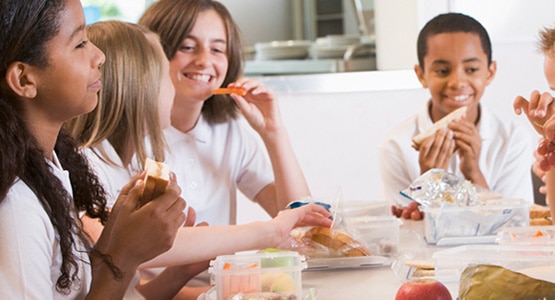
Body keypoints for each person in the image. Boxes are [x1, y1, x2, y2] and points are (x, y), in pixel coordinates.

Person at [67, 21, 333, 299]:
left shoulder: (119, 161)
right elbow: (113, 243)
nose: (204, 60)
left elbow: (131, 292)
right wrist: (269, 232)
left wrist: (182, 274)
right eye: (165, 76)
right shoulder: (87, 163)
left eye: (218, 48)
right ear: (141, 86)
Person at [0, 0, 187, 298]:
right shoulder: (15, 208)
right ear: (24, 79)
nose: (99, 56)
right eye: (80, 44)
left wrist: (113, 241)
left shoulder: (51, 170)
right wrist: (125, 257)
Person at [138, 0, 314, 295]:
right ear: (153, 54)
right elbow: (128, 286)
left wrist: (274, 133)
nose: (205, 60)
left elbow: (300, 220)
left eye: (217, 49)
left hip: (223, 289)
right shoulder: (129, 138)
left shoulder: (228, 131)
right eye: (187, 46)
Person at [378, 12, 534, 220]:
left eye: (471, 69)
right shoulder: (396, 146)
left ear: (490, 72)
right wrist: (430, 184)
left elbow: (517, 226)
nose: (458, 82)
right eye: (442, 71)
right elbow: (404, 235)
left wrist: (473, 173)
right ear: (421, 75)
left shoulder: (513, 139)